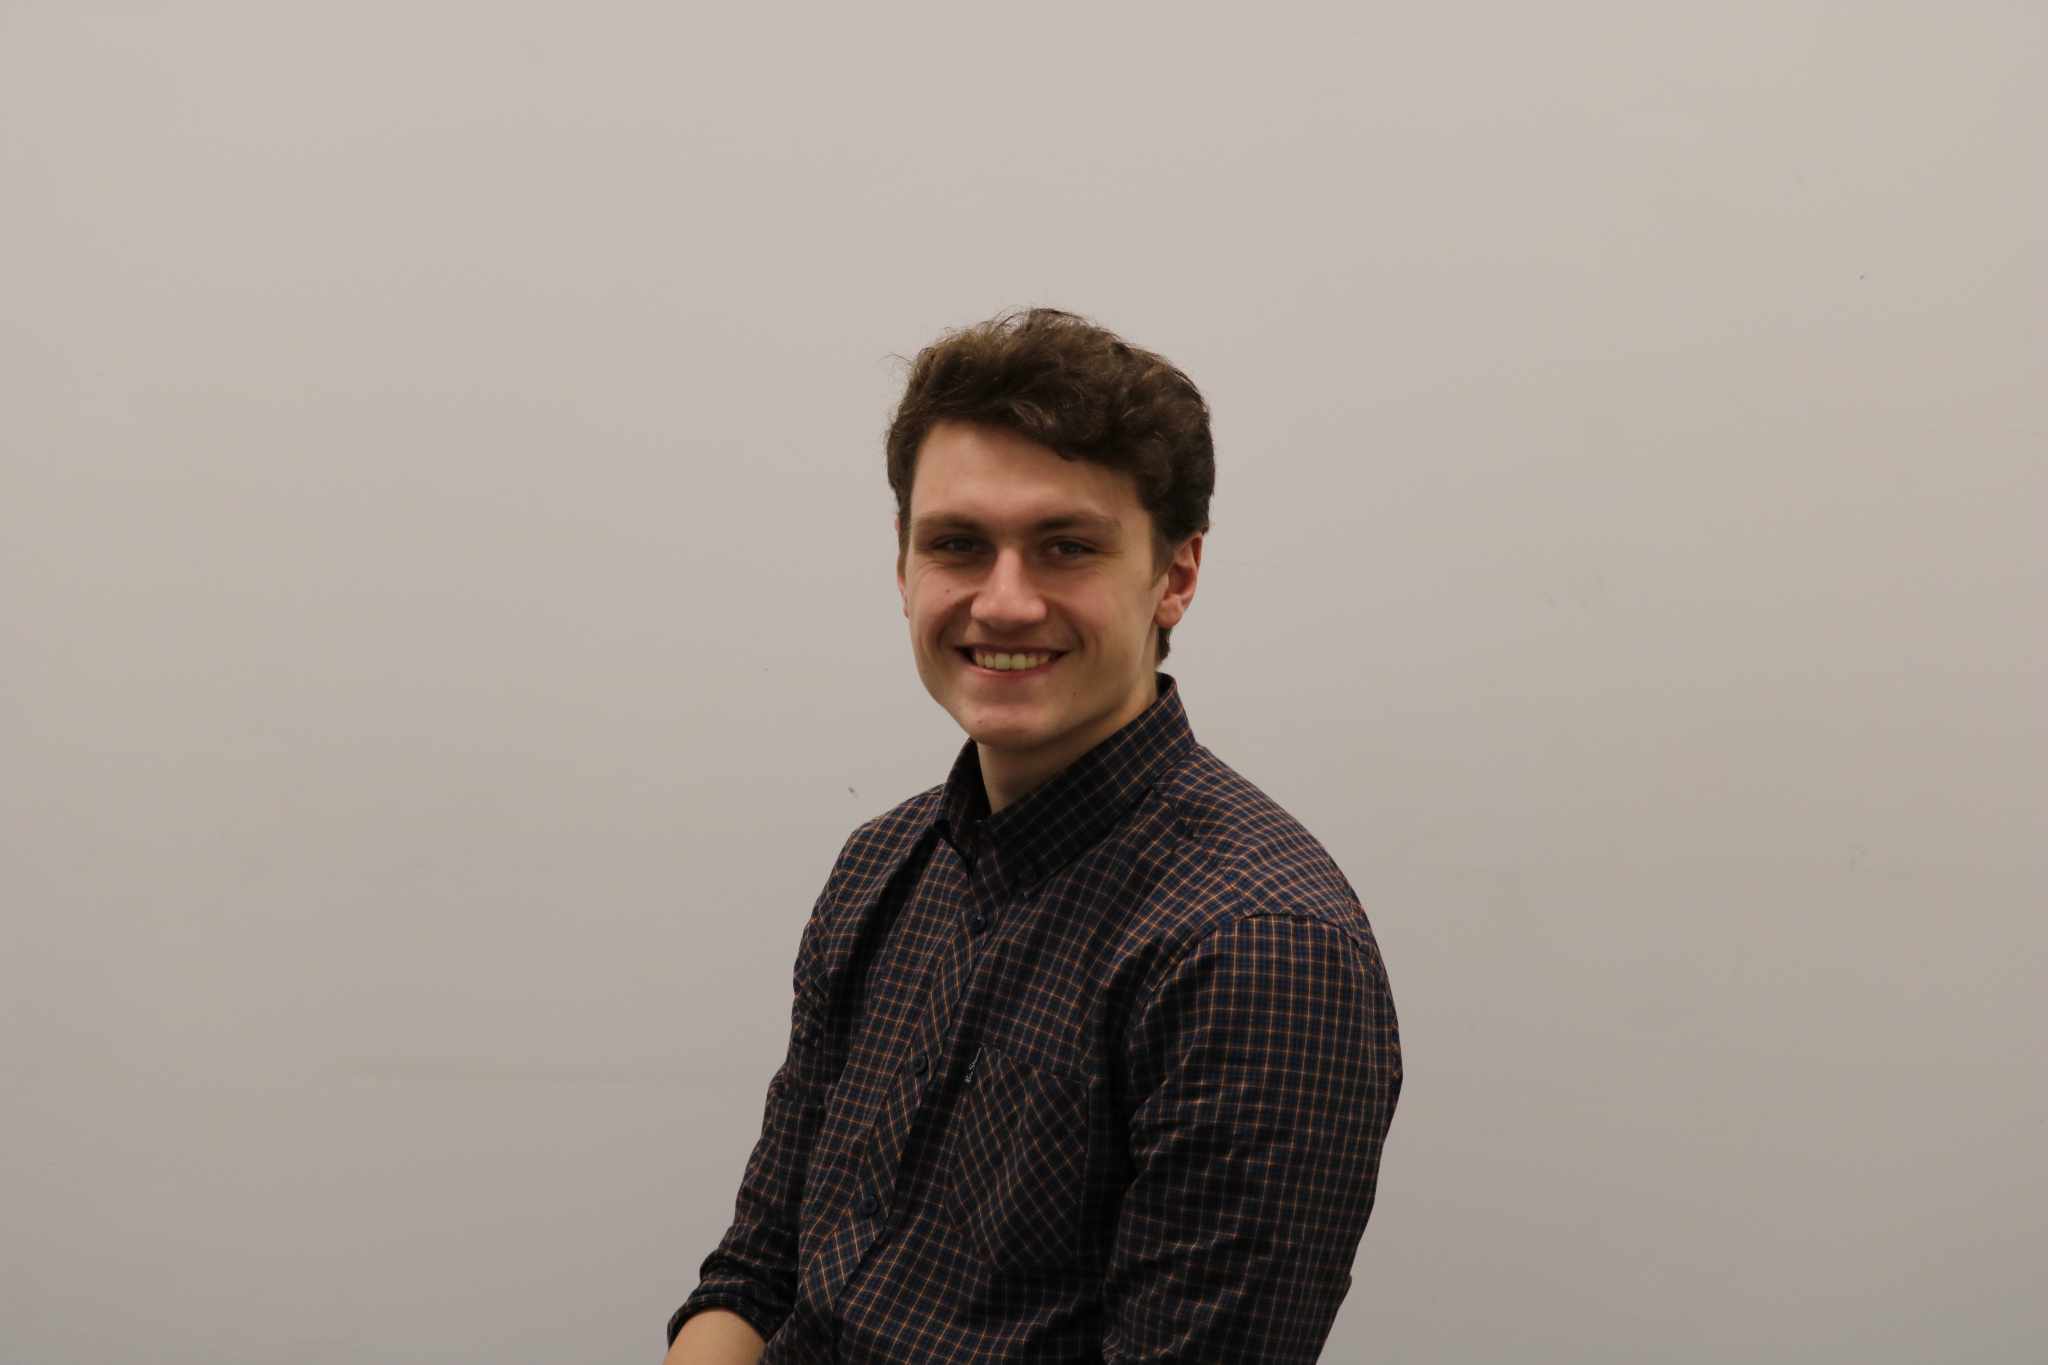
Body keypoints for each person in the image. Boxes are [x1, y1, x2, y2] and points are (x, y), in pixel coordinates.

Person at [665, 308, 1401, 1363]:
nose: (1002, 603)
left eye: (1065, 548)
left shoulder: (1254, 947)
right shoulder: (886, 863)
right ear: (902, 565)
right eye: (957, 544)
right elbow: (758, 1272)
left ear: (1175, 577)